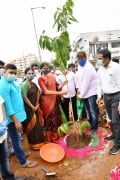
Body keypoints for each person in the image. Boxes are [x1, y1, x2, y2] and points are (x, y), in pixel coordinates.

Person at [0, 64, 38, 168]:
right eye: (10, 73)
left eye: (15, 73)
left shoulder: (11, 82)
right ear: (4, 72)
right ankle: (23, 162)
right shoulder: (3, 85)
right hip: (12, 119)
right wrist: (16, 121)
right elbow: (8, 106)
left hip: (18, 116)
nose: (13, 75)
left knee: (18, 137)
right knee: (16, 139)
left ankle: (20, 154)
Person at [96, 49, 120, 155]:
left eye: (100, 59)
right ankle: (115, 135)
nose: (99, 61)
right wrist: (99, 96)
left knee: (116, 121)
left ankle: (118, 144)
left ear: (107, 58)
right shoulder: (100, 70)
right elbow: (99, 84)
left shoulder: (116, 67)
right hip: (106, 97)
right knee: (110, 119)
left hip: (116, 96)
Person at [38, 62, 67, 142]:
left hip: (55, 101)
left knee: (57, 118)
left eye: (47, 68)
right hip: (47, 103)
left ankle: (58, 135)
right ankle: (52, 138)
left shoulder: (52, 77)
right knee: (51, 120)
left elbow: (57, 87)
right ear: (41, 69)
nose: (46, 69)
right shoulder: (40, 79)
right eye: (44, 68)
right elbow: (46, 91)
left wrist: (64, 83)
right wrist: (60, 93)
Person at [0, 95, 26, 180]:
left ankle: (9, 178)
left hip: (2, 134)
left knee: (4, 157)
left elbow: (3, 107)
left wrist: (4, 121)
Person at [21, 67, 45, 150]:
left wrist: (37, 105)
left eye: (32, 73)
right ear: (25, 74)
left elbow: (38, 94)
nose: (31, 75)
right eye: (29, 73)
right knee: (33, 126)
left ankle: (40, 143)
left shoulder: (34, 84)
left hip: (36, 107)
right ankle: (34, 145)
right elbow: (24, 97)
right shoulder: (24, 85)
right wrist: (32, 107)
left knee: (38, 126)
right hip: (29, 109)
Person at [76, 51, 99, 134]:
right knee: (88, 110)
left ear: (85, 58)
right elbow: (79, 79)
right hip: (84, 92)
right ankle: (90, 124)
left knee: (93, 111)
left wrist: (81, 95)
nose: (80, 60)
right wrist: (78, 89)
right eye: (78, 59)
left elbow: (86, 83)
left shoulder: (88, 67)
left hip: (91, 92)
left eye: (81, 58)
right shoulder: (79, 66)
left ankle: (94, 128)